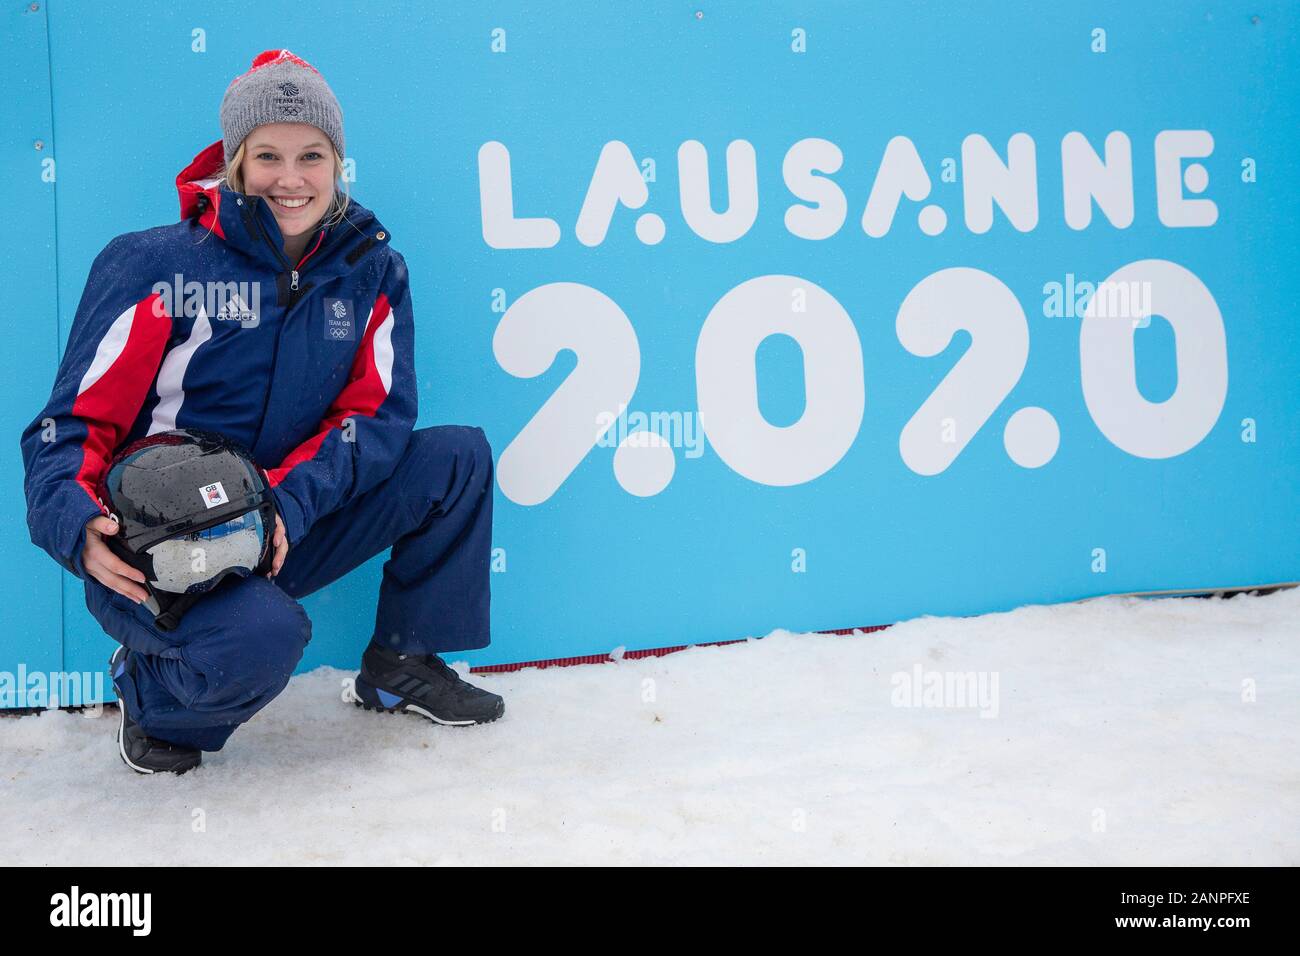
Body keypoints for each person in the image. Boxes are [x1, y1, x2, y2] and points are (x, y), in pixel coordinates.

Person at [19, 48, 503, 774]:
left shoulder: (370, 271)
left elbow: (374, 419)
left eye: (311, 154)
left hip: (282, 518)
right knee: (263, 639)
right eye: (267, 154)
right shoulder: (152, 265)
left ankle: (402, 661)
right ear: (236, 161)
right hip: (169, 546)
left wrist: (285, 507)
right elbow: (70, 423)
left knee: (455, 458)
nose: (290, 177)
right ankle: (151, 696)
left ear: (336, 162)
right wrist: (72, 524)